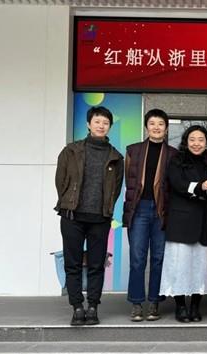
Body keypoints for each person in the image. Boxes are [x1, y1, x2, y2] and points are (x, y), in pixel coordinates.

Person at [55, 106, 124, 326]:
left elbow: (116, 189)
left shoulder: (116, 157)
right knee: (72, 263)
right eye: (97, 121)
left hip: (99, 219)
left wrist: (107, 209)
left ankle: (93, 306)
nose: (101, 125)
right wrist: (68, 202)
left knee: (96, 265)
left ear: (109, 126)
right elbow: (60, 181)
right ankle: (77, 307)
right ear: (88, 124)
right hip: (72, 216)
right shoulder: (71, 151)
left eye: (105, 122)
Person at [123, 109, 178, 322]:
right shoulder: (133, 151)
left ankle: (154, 301)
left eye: (161, 124)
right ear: (146, 127)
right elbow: (129, 182)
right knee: (137, 258)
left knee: (158, 258)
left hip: (161, 210)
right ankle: (136, 303)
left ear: (166, 128)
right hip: (139, 209)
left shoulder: (173, 154)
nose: (156, 127)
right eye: (152, 123)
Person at [159, 125, 207, 323]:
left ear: (206, 143)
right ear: (185, 142)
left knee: (202, 267)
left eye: (201, 140)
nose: (196, 143)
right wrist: (199, 186)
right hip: (181, 222)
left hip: (204, 222)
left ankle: (195, 307)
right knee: (179, 266)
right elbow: (177, 184)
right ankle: (180, 306)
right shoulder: (176, 161)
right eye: (192, 139)